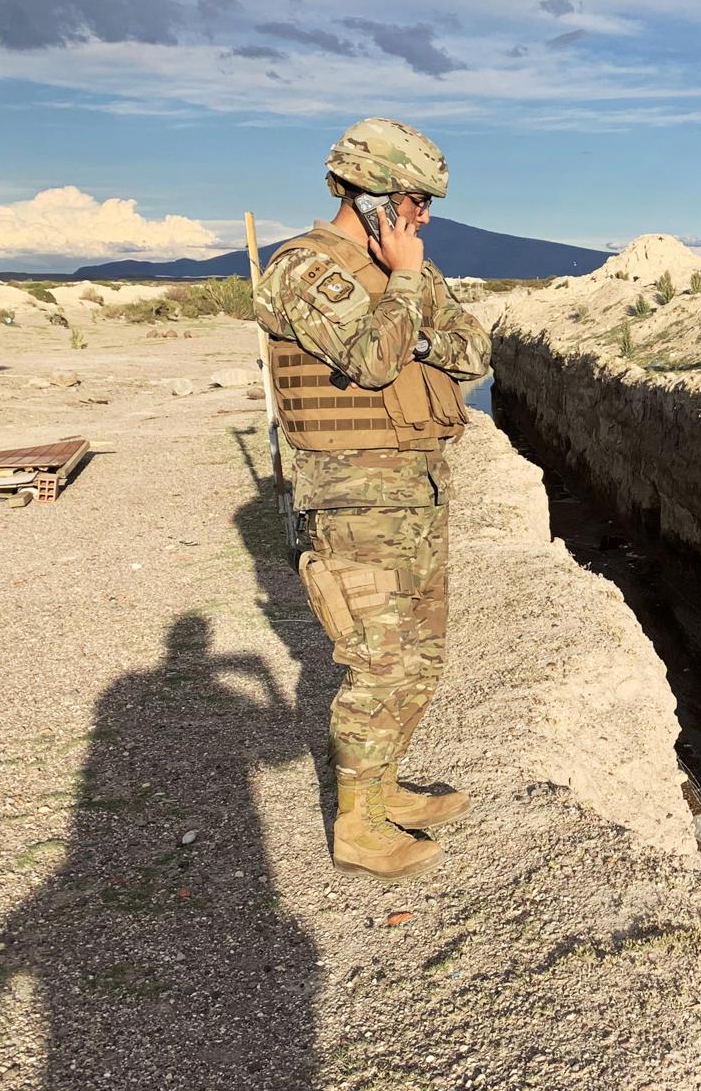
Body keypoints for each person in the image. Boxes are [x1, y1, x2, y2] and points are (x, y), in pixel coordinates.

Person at [254, 117, 490, 880]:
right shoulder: (302, 270)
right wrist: (411, 289)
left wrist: (413, 309)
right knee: (379, 662)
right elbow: (374, 357)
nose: (423, 215)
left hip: (415, 490)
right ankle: (357, 826)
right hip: (355, 501)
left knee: (421, 659)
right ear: (369, 193)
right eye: (415, 199)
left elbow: (473, 352)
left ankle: (384, 790)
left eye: (424, 203)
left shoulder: (403, 267)